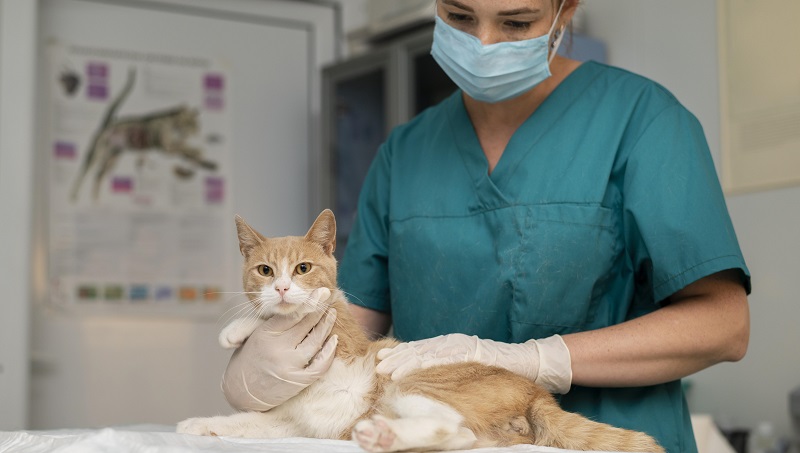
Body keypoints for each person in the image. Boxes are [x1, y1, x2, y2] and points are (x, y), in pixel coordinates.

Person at [221, 1, 751, 452]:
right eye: (459, 15)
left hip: (603, 436)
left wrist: (535, 359)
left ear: (566, 9)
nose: (484, 42)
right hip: (432, 437)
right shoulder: (406, 152)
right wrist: (266, 363)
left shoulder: (643, 120)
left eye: (516, 22)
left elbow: (724, 325)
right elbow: (351, 320)